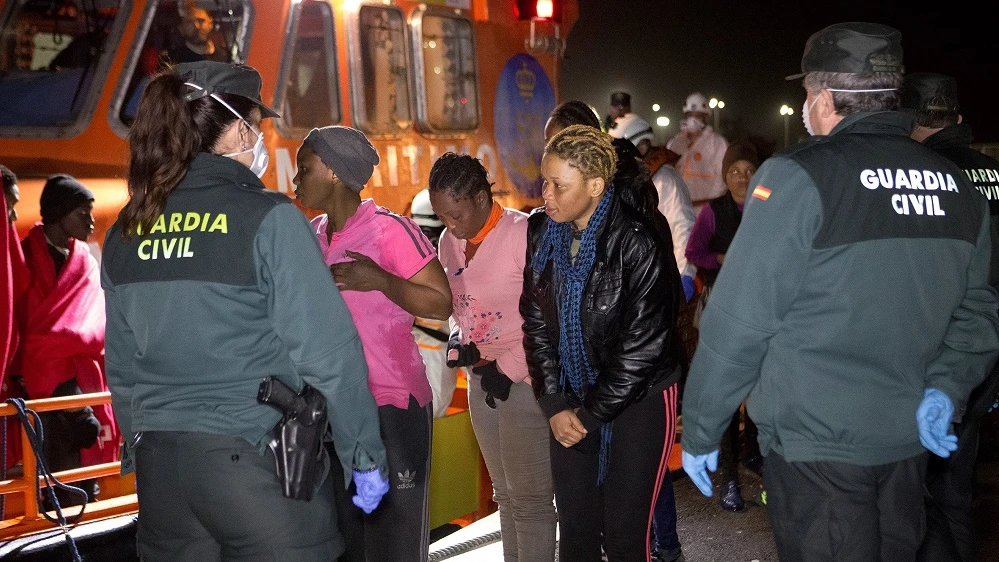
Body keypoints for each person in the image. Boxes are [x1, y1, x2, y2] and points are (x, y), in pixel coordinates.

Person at [680, 22, 999, 562]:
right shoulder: (957, 187)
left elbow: (738, 321)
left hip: (815, 450)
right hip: (907, 444)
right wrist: (947, 388)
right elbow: (978, 310)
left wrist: (703, 426)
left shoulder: (799, 179)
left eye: (806, 94)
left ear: (824, 98)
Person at [101, 60, 388, 561]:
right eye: (258, 125)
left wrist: (139, 446)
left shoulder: (127, 228)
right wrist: (362, 455)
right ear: (237, 130)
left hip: (162, 476)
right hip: (254, 468)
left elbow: (122, 367)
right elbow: (330, 354)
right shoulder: (269, 220)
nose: (261, 139)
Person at [522, 124, 682, 561]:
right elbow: (535, 322)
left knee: (625, 535)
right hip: (570, 397)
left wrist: (590, 414)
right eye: (545, 182)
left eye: (559, 185)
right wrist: (554, 403)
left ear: (595, 186)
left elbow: (643, 348)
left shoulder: (637, 240)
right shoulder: (541, 233)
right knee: (576, 533)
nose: (546, 195)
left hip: (640, 398)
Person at [292, 125, 452, 562]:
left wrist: (380, 281)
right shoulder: (308, 234)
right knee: (347, 543)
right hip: (330, 411)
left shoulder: (389, 230)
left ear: (331, 171)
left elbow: (440, 303)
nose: (295, 179)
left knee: (392, 543)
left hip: (389, 410)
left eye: (304, 168)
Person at [428, 152, 557, 562]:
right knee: (505, 495)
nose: (450, 226)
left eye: (456, 214)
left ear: (482, 197)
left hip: (523, 378)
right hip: (483, 379)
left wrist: (509, 368)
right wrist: (457, 340)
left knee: (531, 499)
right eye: (442, 216)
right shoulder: (449, 242)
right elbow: (458, 307)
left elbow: (548, 318)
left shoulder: (523, 234)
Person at [901, 72, 999, 562]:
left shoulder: (923, 175)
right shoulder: (992, 171)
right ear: (958, 119)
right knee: (959, 491)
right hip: (984, 351)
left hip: (943, 353)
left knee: (924, 499)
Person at [15, 174, 119, 507]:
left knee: (83, 476)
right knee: (50, 477)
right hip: (35, 389)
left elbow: (94, 324)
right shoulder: (23, 259)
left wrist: (58, 342)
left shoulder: (86, 263)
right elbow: (23, 327)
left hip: (81, 382)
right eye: (82, 213)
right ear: (59, 215)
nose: (91, 221)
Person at [683, 142, 763, 512]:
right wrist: (720, 257)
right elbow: (693, 252)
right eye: (735, 171)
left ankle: (759, 461)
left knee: (764, 391)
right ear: (725, 176)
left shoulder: (772, 205)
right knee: (729, 390)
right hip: (725, 306)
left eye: (748, 170)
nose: (742, 177)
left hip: (766, 307)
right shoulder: (714, 212)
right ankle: (729, 477)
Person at [408, 188, 458, 419]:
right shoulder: (402, 255)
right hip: (424, 350)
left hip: (440, 350)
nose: (428, 240)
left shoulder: (455, 255)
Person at [666, 92, 728, 211]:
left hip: (706, 209)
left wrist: (710, 205)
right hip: (679, 209)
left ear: (706, 117)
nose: (693, 119)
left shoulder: (718, 144)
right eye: (690, 115)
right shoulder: (675, 143)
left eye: (698, 115)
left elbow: (722, 180)